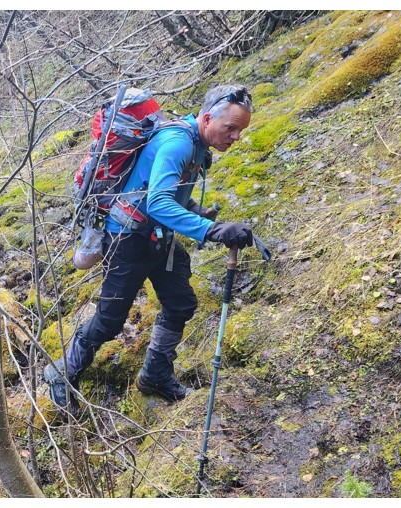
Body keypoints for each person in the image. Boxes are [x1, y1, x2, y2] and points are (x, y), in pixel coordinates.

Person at [44, 84, 255, 413]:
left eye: (240, 130)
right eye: (231, 128)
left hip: (157, 237)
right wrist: (211, 230)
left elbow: (160, 191)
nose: (236, 137)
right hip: (127, 240)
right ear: (207, 118)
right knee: (109, 321)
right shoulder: (178, 143)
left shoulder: (195, 143)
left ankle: (155, 375)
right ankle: (61, 372)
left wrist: (197, 213)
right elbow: (157, 203)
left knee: (180, 302)